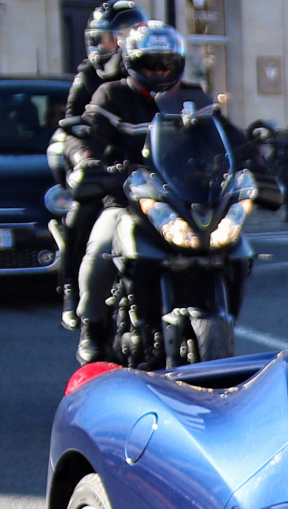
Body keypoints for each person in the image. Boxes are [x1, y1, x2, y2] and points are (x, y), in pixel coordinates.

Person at [72, 22, 207, 363]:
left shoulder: (193, 95)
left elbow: (221, 136)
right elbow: (87, 133)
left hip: (182, 197)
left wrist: (247, 158)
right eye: (151, 63)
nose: (160, 71)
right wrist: (86, 160)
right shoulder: (112, 94)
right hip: (125, 197)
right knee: (101, 249)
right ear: (132, 62)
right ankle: (91, 325)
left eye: (166, 63)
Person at [54, 0, 149, 327]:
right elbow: (75, 125)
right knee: (82, 212)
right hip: (103, 162)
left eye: (108, 38)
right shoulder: (87, 78)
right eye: (98, 39)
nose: (101, 46)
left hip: (146, 164)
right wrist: (88, 159)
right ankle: (70, 289)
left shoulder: (145, 72)